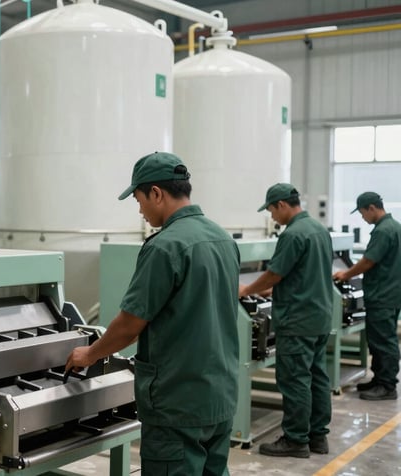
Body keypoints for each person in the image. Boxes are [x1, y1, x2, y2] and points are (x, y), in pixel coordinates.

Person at [66, 152, 240, 475]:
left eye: (138, 199)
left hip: (177, 404)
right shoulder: (222, 239)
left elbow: (130, 325)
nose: (140, 210)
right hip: (220, 396)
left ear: (156, 193)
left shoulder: (164, 247)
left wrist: (89, 353)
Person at [239, 183, 333, 458]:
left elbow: (273, 274)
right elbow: (305, 273)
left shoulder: (292, 234)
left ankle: (295, 439)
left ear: (281, 205)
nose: (272, 217)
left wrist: (245, 290)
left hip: (298, 320)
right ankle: (317, 437)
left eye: (271, 210)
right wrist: (275, 289)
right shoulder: (318, 230)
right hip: (319, 317)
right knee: (316, 378)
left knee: (295, 380)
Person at [334, 192, 401, 401]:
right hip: (391, 292)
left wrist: (345, 274)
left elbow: (368, 261)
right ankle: (379, 379)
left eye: (362, 213)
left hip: (383, 295)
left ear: (372, 208)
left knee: (383, 341)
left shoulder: (383, 231)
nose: (362, 217)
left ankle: (387, 385)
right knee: (380, 339)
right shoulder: (395, 227)